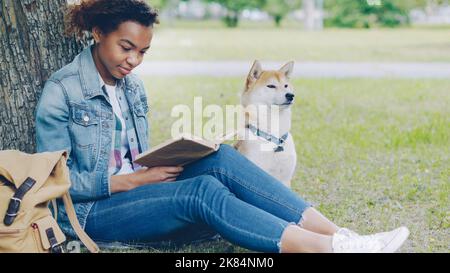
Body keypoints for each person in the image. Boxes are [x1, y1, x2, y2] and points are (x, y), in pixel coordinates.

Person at [35, 0, 409, 253]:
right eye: (126, 47)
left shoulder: (132, 87)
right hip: (89, 212)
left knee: (222, 159)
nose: (134, 60)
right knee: (201, 192)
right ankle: (328, 250)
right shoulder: (62, 90)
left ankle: (345, 237)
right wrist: (132, 180)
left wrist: (163, 161)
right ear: (98, 33)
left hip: (137, 191)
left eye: (143, 52)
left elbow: (131, 156)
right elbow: (53, 184)